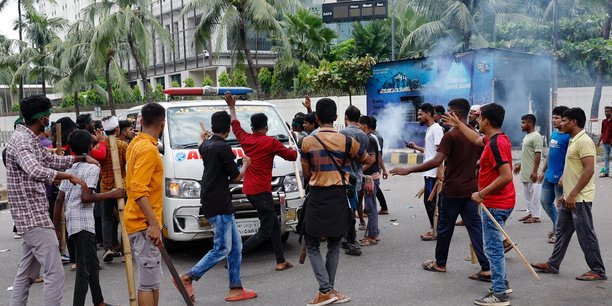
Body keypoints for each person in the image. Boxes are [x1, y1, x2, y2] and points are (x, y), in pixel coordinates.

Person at [7, 95, 99, 306]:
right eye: (48, 115)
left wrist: (80, 158)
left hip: (31, 215)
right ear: (41, 119)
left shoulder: (29, 138)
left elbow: (50, 159)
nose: (50, 119)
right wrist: (69, 176)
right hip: (33, 217)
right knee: (55, 273)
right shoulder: (22, 141)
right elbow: (35, 170)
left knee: (26, 274)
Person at [391, 98, 491, 280]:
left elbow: (437, 161)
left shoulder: (451, 135)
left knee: (445, 228)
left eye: (449, 111)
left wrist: (408, 170)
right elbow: (480, 161)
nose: (444, 114)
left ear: (457, 115)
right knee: (475, 228)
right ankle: (486, 267)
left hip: (453, 191)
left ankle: (440, 263)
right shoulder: (475, 134)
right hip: (470, 190)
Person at [178, 111, 257, 303]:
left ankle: (236, 287)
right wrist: (245, 164)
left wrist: (201, 136)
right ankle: (189, 277)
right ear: (228, 129)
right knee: (222, 248)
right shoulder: (223, 148)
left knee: (236, 247)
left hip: (216, 200)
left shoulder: (206, 145)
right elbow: (236, 177)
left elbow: (199, 143)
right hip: (219, 202)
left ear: (212, 128)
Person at [444, 103, 515, 306]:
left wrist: (481, 193)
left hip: (495, 203)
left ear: (486, 121)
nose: (477, 120)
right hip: (499, 201)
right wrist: (458, 123)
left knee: (492, 248)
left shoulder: (495, 144)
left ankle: (499, 293)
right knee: (494, 247)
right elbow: (475, 138)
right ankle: (502, 282)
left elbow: (506, 176)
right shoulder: (496, 138)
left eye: (479, 117)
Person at [300, 98, 370, 306]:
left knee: (312, 244)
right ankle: (328, 290)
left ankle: (325, 291)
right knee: (334, 244)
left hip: (317, 195)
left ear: (317, 118)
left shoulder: (307, 142)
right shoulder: (346, 141)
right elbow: (366, 159)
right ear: (337, 118)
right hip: (339, 196)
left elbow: (306, 173)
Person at [531, 107, 607, 281]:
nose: (561, 123)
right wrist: (565, 195)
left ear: (574, 122)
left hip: (579, 198)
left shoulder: (584, 141)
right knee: (562, 231)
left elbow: (588, 171)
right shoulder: (573, 139)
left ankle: (598, 270)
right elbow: (574, 170)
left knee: (586, 234)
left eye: (564, 120)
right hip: (570, 197)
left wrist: (572, 194)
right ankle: (553, 263)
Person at [224, 92, 298, 271]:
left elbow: (235, 125)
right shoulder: (270, 142)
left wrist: (232, 107)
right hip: (262, 191)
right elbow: (292, 155)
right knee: (266, 229)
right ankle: (234, 257)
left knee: (273, 224)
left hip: (249, 189)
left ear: (253, 126)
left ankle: (280, 261)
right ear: (266, 126)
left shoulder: (246, 139)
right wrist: (297, 143)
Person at [52, 130, 125, 306]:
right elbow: (86, 197)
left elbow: (59, 200)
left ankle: (98, 301)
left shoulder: (70, 169)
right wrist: (111, 194)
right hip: (83, 224)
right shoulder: (92, 168)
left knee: (92, 264)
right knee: (84, 270)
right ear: (90, 147)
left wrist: (56, 229)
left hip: (73, 223)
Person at [124, 102, 166, 305]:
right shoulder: (148, 150)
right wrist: (153, 224)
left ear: (141, 121)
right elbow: (140, 190)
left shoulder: (135, 143)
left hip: (139, 222)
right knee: (148, 283)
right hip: (143, 224)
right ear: (162, 123)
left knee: (152, 280)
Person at [406, 103, 444, 241]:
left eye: (421, 114)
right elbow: (430, 152)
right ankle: (435, 229)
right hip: (429, 172)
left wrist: (440, 171)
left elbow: (441, 152)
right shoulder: (430, 129)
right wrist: (415, 147)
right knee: (431, 202)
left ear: (428, 114)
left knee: (430, 202)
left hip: (433, 173)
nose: (418, 117)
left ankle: (436, 230)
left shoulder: (436, 129)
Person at [339, 106, 374, 256]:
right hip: (357, 177)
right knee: (352, 207)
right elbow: (365, 157)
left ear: (346, 117)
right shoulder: (364, 136)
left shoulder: (342, 134)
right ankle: (348, 238)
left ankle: (349, 240)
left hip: (344, 177)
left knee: (345, 210)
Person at [537, 106, 570, 244]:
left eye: (557, 118)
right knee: (544, 201)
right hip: (549, 175)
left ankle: (558, 231)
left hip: (560, 178)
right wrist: (543, 170)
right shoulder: (554, 134)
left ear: (564, 120)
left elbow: (570, 159)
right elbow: (550, 154)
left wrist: (564, 175)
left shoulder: (569, 137)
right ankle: (557, 227)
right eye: (553, 117)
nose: (554, 120)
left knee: (560, 206)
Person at [99, 116, 129, 262]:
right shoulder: (123, 145)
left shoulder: (100, 146)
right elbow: (128, 165)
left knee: (107, 218)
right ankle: (125, 249)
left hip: (106, 188)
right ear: (117, 129)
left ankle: (108, 248)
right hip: (121, 186)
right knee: (124, 216)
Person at [514, 114, 543, 224]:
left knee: (535, 194)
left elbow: (538, 154)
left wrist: (535, 171)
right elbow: (526, 154)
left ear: (530, 123)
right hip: (526, 172)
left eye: (523, 122)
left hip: (533, 172)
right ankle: (530, 213)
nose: (521, 125)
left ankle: (535, 216)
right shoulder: (527, 136)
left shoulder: (536, 136)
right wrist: (520, 166)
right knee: (527, 194)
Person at [357, 115, 382, 246]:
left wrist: (359, 171)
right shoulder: (369, 138)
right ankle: (373, 232)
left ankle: (372, 236)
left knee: (370, 207)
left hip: (370, 178)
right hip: (370, 176)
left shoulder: (369, 139)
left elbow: (371, 159)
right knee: (370, 206)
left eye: (359, 125)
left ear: (365, 126)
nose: (358, 127)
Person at [370, 116, 390, 214]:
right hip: (376, 165)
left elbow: (379, 155)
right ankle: (384, 207)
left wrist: (383, 169)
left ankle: (375, 208)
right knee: (375, 188)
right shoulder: (376, 136)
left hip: (375, 166)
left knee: (373, 188)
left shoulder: (375, 137)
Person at [598, 106, 611, 177]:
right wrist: (599, 141)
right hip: (605, 142)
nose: (606, 113)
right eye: (605, 111)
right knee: (606, 158)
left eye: (608, 111)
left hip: (611, 143)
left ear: (611, 112)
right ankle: (606, 172)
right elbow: (602, 132)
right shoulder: (604, 122)